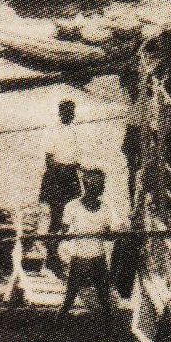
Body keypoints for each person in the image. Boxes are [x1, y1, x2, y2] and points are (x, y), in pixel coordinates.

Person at [58, 168, 122, 325]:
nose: (102, 188)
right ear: (88, 186)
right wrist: (66, 235)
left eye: (102, 184)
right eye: (99, 184)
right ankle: (58, 322)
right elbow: (64, 231)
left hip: (98, 257)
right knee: (70, 294)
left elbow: (110, 235)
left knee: (104, 295)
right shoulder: (72, 207)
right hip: (80, 257)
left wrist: (110, 234)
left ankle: (110, 327)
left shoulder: (106, 208)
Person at [39, 99, 82, 271]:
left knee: (68, 217)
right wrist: (60, 171)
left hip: (70, 175)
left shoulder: (74, 129)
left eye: (72, 112)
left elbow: (76, 156)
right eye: (67, 112)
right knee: (56, 217)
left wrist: (77, 167)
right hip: (56, 177)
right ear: (60, 112)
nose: (70, 115)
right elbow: (49, 159)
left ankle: (53, 248)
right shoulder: (52, 130)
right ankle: (51, 255)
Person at [121, 64, 151, 204]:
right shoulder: (133, 95)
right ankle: (135, 199)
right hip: (134, 131)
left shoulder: (142, 93)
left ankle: (140, 198)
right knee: (134, 170)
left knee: (141, 168)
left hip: (140, 130)